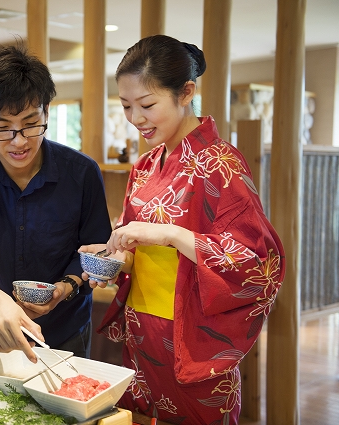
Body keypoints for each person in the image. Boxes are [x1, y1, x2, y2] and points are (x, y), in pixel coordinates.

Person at [79, 35, 285, 425]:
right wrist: (112, 260)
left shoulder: (221, 164)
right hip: (144, 334)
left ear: (186, 92)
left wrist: (171, 235)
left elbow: (258, 262)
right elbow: (136, 252)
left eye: (147, 104)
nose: (136, 118)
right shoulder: (144, 166)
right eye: (125, 106)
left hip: (194, 342)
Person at [0, 42, 112, 362]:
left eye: (31, 124)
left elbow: (92, 250)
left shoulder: (81, 173)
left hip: (66, 329)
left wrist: (63, 289)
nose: (19, 142)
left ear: (46, 109)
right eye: (2, 129)